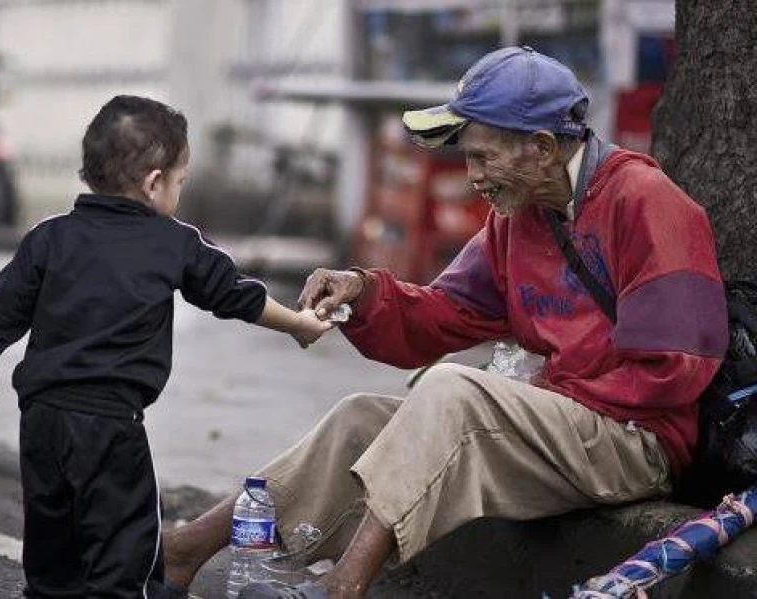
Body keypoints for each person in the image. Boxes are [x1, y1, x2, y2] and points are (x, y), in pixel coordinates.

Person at [161, 46, 729, 599]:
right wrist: (363, 291)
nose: (473, 175)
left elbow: (676, 366)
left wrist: (537, 390)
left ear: (541, 147)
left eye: (484, 157)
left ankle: (344, 586)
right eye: (468, 156)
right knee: (361, 416)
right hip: (566, 429)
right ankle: (186, 548)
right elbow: (445, 312)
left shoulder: (645, 201)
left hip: (637, 442)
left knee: (453, 391)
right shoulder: (519, 215)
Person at [0, 95, 332, 598]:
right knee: (126, 543)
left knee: (52, 540)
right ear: (155, 183)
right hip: (110, 427)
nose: (178, 190)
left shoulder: (48, 238)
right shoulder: (174, 243)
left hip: (42, 420)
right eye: (179, 181)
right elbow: (234, 294)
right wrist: (298, 324)